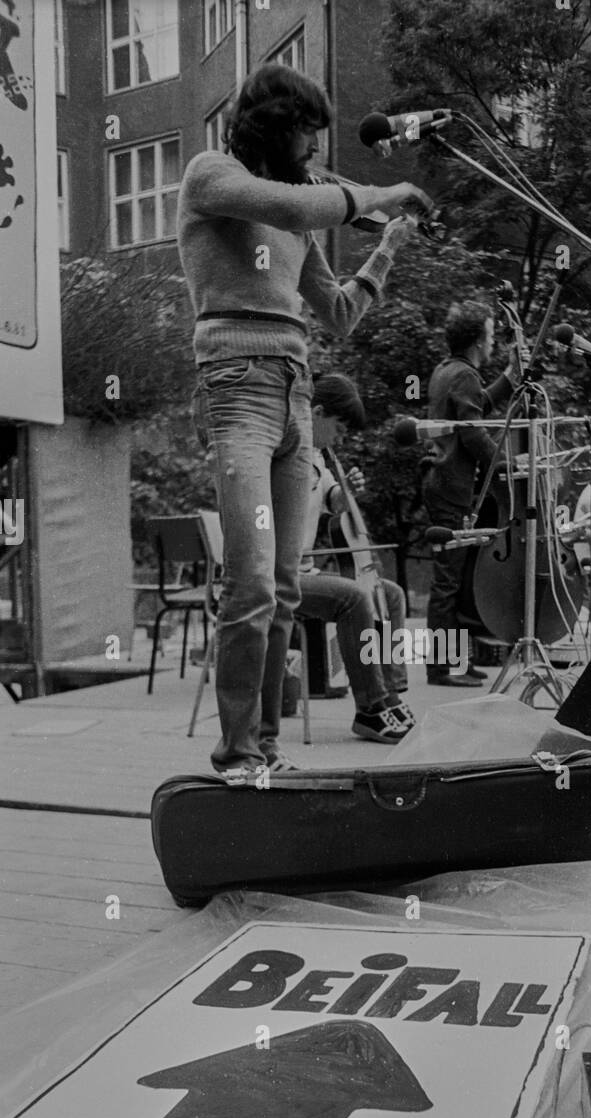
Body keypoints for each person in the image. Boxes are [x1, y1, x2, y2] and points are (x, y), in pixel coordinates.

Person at [179, 61, 430, 780]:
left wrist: (386, 248)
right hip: (238, 389)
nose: (315, 148)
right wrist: (379, 193)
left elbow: (340, 313)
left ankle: (265, 752)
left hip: (294, 392)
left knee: (285, 588)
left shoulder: (297, 213)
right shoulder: (212, 176)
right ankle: (236, 757)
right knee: (253, 583)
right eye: (307, 133)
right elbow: (291, 207)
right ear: (274, 126)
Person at [294, 374, 414, 745]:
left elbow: (334, 502)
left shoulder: (318, 456)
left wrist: (347, 493)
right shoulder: (290, 455)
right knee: (354, 598)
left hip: (306, 569)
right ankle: (370, 708)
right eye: (339, 428)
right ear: (316, 413)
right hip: (283, 576)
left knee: (389, 594)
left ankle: (391, 694)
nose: (341, 439)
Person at [423, 300, 522, 686]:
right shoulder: (464, 374)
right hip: (451, 485)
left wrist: (511, 377)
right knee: (449, 579)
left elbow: (477, 406)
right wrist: (505, 465)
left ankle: (455, 662)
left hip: (442, 482)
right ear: (478, 340)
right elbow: (472, 431)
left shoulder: (448, 370)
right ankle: (441, 667)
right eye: (492, 334)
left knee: (456, 578)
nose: (494, 341)